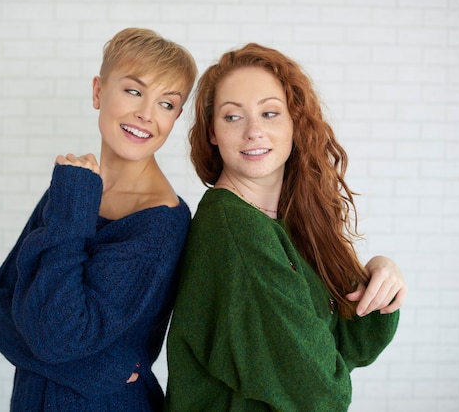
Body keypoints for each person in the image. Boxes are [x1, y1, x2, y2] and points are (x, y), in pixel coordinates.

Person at [165, 43, 407, 411]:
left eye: (270, 113)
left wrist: (379, 273)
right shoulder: (234, 228)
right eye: (233, 117)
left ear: (295, 122)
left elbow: (349, 344)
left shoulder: (287, 220)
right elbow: (319, 391)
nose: (253, 131)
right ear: (212, 131)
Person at [0, 27, 197, 411]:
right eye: (134, 90)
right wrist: (99, 371)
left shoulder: (160, 222)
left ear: (176, 116)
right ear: (98, 91)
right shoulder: (75, 193)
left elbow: (56, 337)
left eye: (166, 103)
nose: (146, 114)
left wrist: (74, 200)